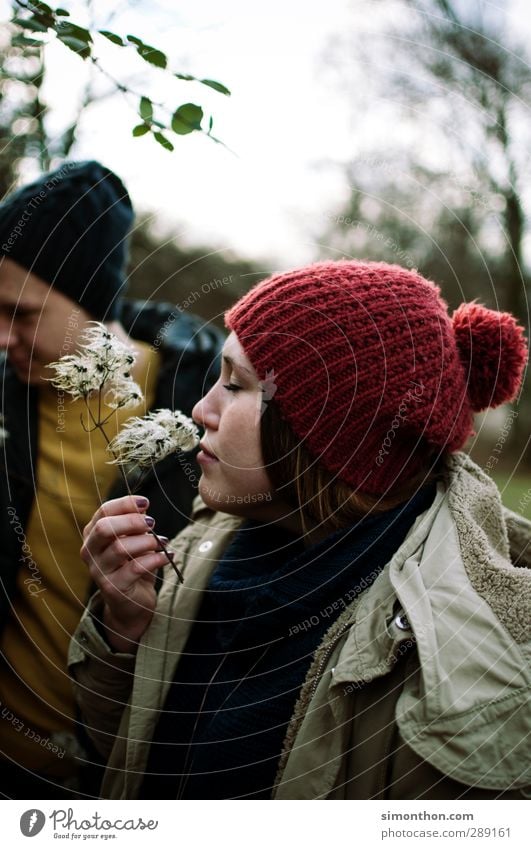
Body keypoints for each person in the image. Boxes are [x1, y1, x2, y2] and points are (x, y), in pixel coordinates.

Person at [71, 259, 530, 799]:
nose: (201, 408)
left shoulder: (465, 665)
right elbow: (125, 766)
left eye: (236, 386)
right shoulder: (201, 546)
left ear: (324, 434)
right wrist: (126, 634)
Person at [0, 161, 223, 798]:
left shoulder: (198, 410)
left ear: (91, 305)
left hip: (115, 785)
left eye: (22, 313)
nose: (1, 335)